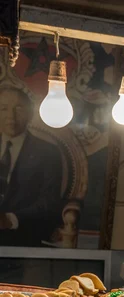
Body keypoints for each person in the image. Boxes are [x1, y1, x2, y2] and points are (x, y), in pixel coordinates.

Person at [0, 86, 63, 247]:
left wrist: (11, 219)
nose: (10, 117)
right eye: (3, 109)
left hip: (24, 238)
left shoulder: (48, 152)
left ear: (30, 114)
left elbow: (49, 201)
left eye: (18, 109)